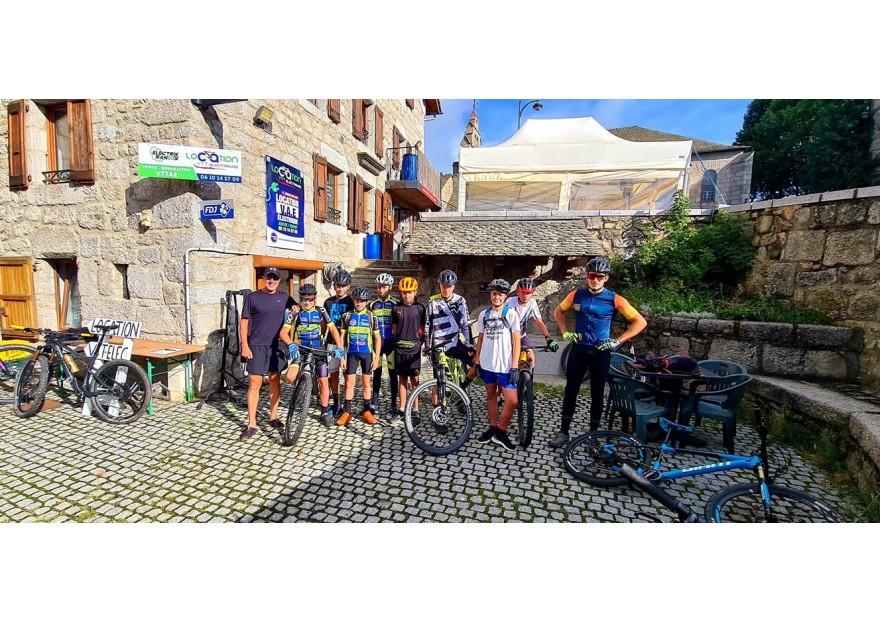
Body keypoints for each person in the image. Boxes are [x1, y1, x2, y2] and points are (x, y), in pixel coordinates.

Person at [548, 257, 647, 449]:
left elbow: (640, 322)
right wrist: (565, 332)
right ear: (587, 276)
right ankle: (563, 433)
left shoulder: (615, 299)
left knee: (597, 394)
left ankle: (593, 436)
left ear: (606, 278)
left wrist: (617, 341)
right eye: (591, 276)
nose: (595, 280)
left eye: (599, 277)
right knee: (571, 390)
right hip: (579, 349)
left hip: (601, 352)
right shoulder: (576, 295)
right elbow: (559, 312)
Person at [239, 267, 299, 441]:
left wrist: (296, 308)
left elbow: (296, 306)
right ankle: (251, 424)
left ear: (279, 281)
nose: (271, 281)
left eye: (275, 278)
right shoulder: (253, 297)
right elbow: (244, 322)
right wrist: (245, 345)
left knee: (274, 380)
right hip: (256, 345)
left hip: (277, 346)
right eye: (268, 278)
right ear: (264, 278)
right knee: (255, 382)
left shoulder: (284, 297)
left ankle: (273, 417)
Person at [279, 283, 345, 428]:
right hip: (301, 348)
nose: (307, 302)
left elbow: (333, 329)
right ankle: (304, 385)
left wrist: (340, 347)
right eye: (304, 299)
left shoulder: (321, 311)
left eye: (310, 299)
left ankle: (325, 411)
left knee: (323, 381)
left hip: (318, 348)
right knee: (290, 377)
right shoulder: (295, 313)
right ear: (300, 299)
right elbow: (283, 333)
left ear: (315, 298)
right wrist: (290, 344)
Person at [474, 278, 522, 451]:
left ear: (505, 296)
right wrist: (477, 361)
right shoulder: (484, 315)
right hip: (487, 364)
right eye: (494, 294)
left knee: (512, 400)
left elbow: (517, 341)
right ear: (490, 295)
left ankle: (502, 431)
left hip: (505, 366)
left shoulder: (511, 314)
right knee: (491, 395)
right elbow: (480, 339)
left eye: (501, 295)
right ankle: (492, 427)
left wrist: (514, 366)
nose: (497, 297)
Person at [336, 286, 382, 425]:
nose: (358, 303)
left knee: (366, 383)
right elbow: (342, 336)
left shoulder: (371, 316)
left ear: (367, 302)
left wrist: (377, 357)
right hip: (351, 354)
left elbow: (377, 338)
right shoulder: (347, 316)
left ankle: (367, 411)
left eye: (362, 301)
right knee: (349, 383)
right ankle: (347, 412)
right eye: (356, 300)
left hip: (367, 353)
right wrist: (341, 356)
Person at [424, 269, 476, 385]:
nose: (446, 289)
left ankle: (463, 387)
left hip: (454, 344)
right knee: (438, 379)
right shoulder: (433, 303)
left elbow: (465, 324)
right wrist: (427, 346)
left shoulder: (460, 301)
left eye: (449, 287)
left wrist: (470, 345)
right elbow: (427, 326)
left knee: (477, 363)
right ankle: (437, 402)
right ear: (439, 286)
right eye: (443, 286)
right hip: (438, 346)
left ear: (453, 287)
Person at [391, 276, 426, 422]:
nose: (407, 295)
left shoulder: (420, 308)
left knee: (415, 380)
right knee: (402, 379)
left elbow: (422, 330)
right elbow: (394, 329)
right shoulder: (396, 308)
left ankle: (416, 409)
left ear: (415, 292)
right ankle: (402, 408)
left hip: (414, 350)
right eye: (404, 292)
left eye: (410, 292)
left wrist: (419, 344)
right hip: (400, 349)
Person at [507, 277, 558, 369]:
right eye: (523, 292)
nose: (525, 296)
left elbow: (539, 321)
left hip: (521, 335)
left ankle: (529, 379)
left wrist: (549, 339)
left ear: (532, 293)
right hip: (508, 336)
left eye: (528, 293)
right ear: (518, 291)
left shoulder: (532, 303)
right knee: (509, 360)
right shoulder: (510, 302)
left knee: (530, 357)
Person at [323, 269, 354, 418]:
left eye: (343, 285)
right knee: (333, 374)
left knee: (348, 374)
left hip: (348, 343)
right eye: (337, 285)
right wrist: (322, 338)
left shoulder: (352, 302)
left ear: (348, 286)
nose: (340, 288)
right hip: (331, 343)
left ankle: (347, 406)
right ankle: (336, 404)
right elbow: (324, 323)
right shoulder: (328, 302)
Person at [368, 273, 400, 419]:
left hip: (391, 342)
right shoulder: (372, 304)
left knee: (393, 374)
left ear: (390, 287)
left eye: (385, 287)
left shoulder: (396, 303)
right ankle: (374, 402)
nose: (382, 290)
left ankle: (393, 403)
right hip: (377, 344)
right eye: (379, 287)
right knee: (377, 373)